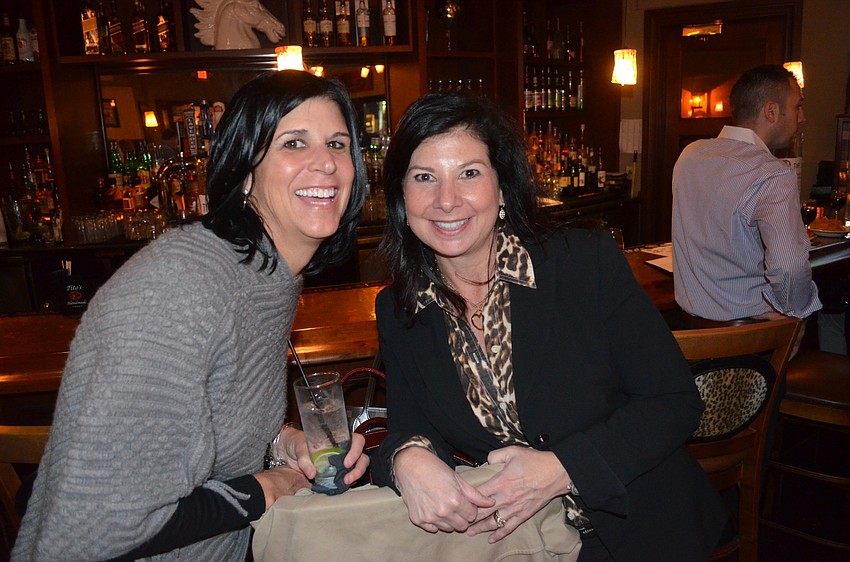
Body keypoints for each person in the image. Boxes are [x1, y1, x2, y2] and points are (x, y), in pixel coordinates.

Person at [12, 70, 370, 561]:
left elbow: (205, 423)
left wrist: (282, 444)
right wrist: (267, 486)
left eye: (337, 143)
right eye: (293, 143)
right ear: (245, 170)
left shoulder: (270, 276)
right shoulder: (181, 285)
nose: (326, 163)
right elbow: (97, 525)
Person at [371, 91, 726, 562]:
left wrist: (563, 469)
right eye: (424, 177)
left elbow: (674, 402)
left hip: (637, 525)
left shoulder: (583, 262)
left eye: (469, 174)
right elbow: (409, 425)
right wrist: (405, 458)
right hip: (521, 545)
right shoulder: (398, 309)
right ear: (400, 195)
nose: (446, 200)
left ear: (501, 187)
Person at [672, 64, 821, 328]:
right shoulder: (772, 173)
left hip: (691, 332)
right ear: (772, 111)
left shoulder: (689, 155)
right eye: (798, 107)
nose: (802, 117)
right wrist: (795, 314)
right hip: (748, 343)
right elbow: (789, 268)